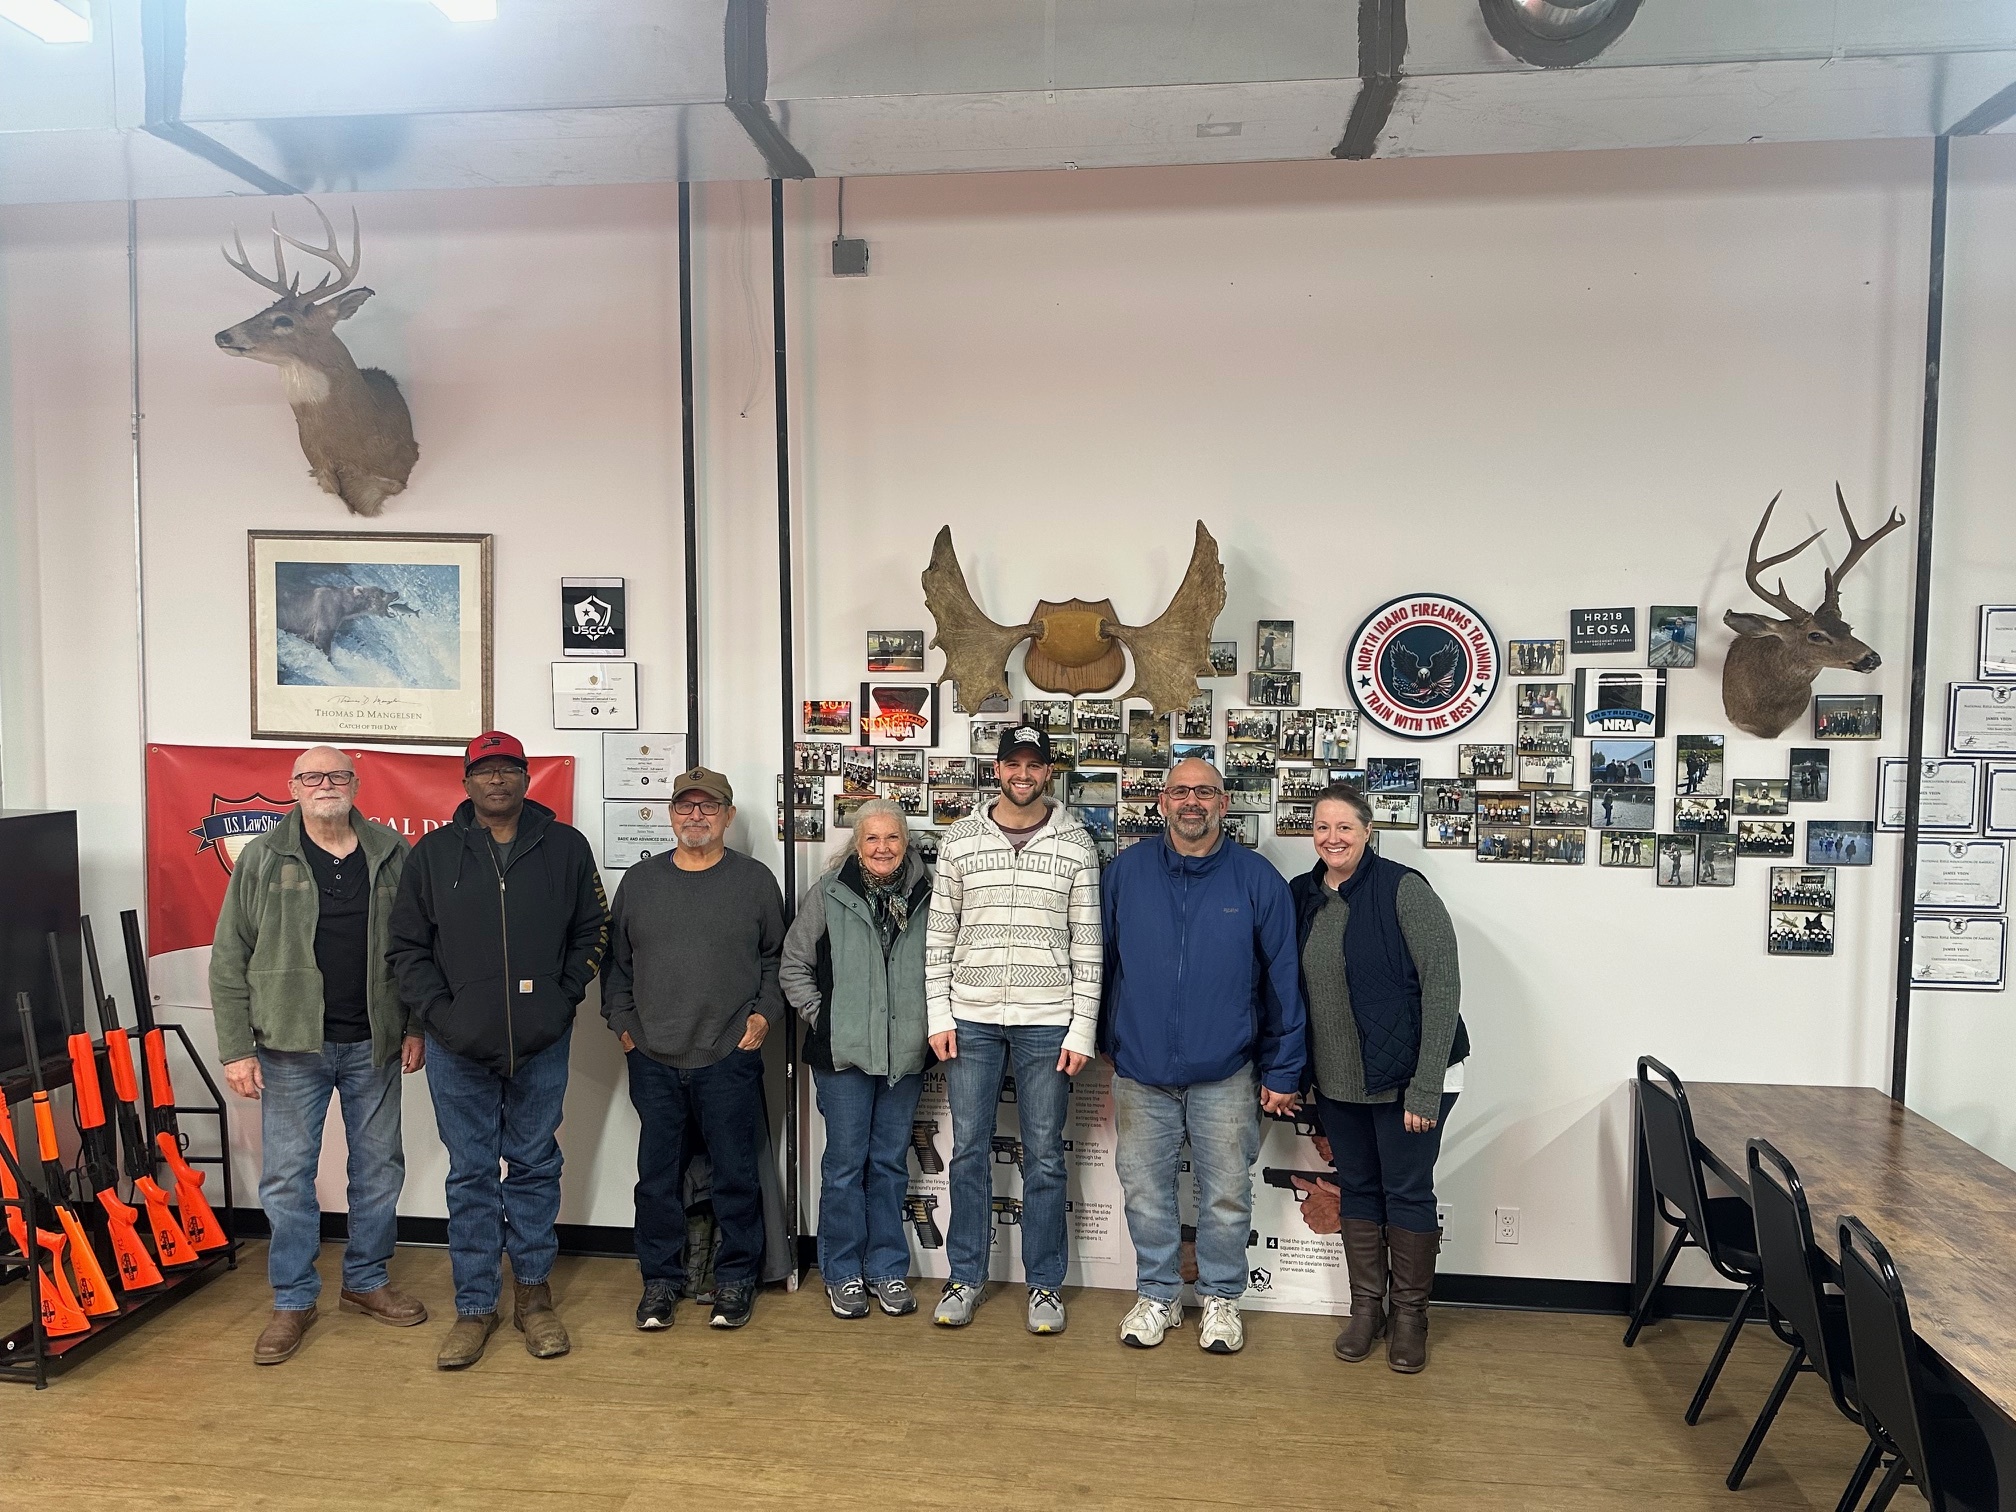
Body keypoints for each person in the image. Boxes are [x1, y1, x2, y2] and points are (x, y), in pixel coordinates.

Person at [388, 731, 608, 1370]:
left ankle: (534, 1299)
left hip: (542, 1042)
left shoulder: (565, 847)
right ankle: (475, 1306)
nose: (497, 780)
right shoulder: (433, 854)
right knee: (472, 1174)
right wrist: (442, 1016)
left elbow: (593, 929)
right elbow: (406, 948)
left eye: (510, 768)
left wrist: (560, 1000)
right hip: (457, 1047)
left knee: (535, 1165)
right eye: (485, 771)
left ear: (526, 779)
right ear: (466, 782)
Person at [209, 746, 425, 1365]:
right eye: (311, 776)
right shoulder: (262, 857)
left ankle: (366, 1280)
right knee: (286, 1177)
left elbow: (418, 946)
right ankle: (294, 1298)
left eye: (336, 775)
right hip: (288, 1046)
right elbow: (229, 958)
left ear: (355, 784)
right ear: (293, 786)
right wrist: (236, 1049)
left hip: (374, 1042)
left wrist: (414, 1025)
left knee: (379, 1169)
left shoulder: (393, 852)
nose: (324, 784)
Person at [1099, 758, 1303, 1355]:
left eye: (1205, 792)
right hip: (1141, 1071)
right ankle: (1158, 1295)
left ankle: (1220, 1297)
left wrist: (1284, 1066)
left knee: (1226, 1195)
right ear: (1162, 802)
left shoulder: (1257, 879)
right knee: (1144, 1193)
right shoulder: (1125, 873)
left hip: (1228, 1071)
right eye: (1181, 792)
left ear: (1224, 804)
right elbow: (1099, 965)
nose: (1193, 802)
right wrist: (1106, 1040)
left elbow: (1284, 982)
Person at [925, 724, 1102, 1335]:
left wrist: (1081, 1029)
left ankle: (1045, 1284)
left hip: (1047, 1021)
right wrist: (939, 1015)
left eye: (1033, 764)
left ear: (1048, 771)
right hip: (970, 1018)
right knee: (968, 1151)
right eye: (1012, 764)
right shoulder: (959, 839)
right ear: (997, 769)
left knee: (1046, 1156)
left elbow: (1088, 944)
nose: (1022, 774)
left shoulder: (1077, 843)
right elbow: (939, 935)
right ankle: (965, 1276)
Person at [1290, 782, 1468, 1374]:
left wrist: (1425, 1085)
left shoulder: (1403, 889)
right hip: (1339, 1081)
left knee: (1407, 1192)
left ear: (1369, 832)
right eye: (1322, 827)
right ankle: (1366, 1309)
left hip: (1411, 1079)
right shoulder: (1303, 896)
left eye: (1344, 827)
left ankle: (1411, 1316)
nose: (1332, 838)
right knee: (1359, 1189)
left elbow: (1442, 986)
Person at [601, 765, 784, 1332]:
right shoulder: (640, 882)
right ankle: (661, 1281)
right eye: (686, 805)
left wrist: (762, 1017)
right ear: (671, 814)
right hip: (653, 1056)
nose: (696, 815)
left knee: (735, 1174)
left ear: (728, 815)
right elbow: (616, 966)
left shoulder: (754, 881)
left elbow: (776, 959)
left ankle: (736, 1278)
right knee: (657, 1179)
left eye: (709, 806)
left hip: (728, 1054)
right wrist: (624, 1027)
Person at [779, 799, 933, 1321]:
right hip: (842, 1056)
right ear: (857, 844)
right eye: (872, 838)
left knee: (888, 1165)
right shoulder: (829, 893)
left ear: (906, 843)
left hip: (904, 1055)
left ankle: (886, 1268)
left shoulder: (931, 894)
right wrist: (824, 1018)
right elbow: (793, 964)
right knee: (845, 1166)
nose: (883, 847)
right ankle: (842, 1271)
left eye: (892, 838)